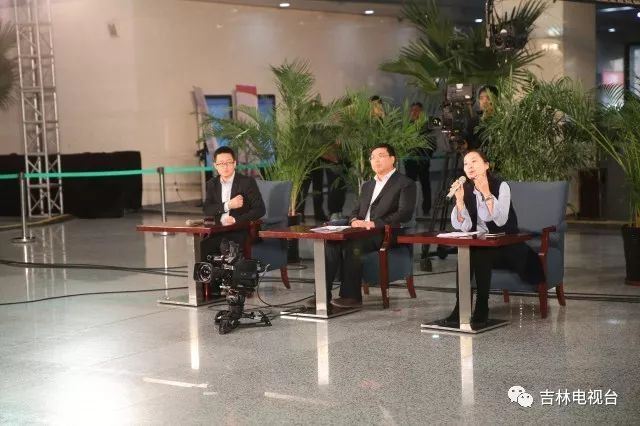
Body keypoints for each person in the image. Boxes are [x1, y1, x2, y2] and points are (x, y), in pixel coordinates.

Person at [447, 150, 545, 326]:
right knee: (466, 253)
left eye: (474, 161)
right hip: (482, 245)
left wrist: (486, 193)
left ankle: (482, 307)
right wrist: (460, 201)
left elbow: (500, 220)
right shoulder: (467, 189)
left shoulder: (501, 186)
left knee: (480, 252)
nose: (469, 167)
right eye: (466, 164)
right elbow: (465, 226)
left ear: (486, 165)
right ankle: (460, 306)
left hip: (507, 245)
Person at [324, 143, 417, 308]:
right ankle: (322, 294)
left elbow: (404, 213)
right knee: (331, 242)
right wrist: (354, 220)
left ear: (392, 159)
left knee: (353, 244)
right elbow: (355, 210)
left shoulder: (405, 183)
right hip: (359, 230)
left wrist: (374, 223)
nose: (376, 161)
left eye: (381, 156)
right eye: (372, 158)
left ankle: (351, 297)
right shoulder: (367, 185)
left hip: (384, 232)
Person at [202, 146, 266, 264]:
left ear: (235, 163)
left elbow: (260, 209)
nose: (225, 167)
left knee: (226, 247)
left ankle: (230, 276)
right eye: (221, 163)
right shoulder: (212, 184)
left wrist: (236, 219)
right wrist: (228, 205)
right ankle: (207, 277)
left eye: (228, 162)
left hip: (240, 231)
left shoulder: (246, 182)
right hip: (218, 231)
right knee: (202, 247)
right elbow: (207, 209)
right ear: (215, 165)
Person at [403, 102, 434, 216]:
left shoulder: (427, 126)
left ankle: (426, 209)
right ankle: (409, 210)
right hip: (410, 160)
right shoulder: (407, 126)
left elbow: (431, 142)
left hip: (423, 159)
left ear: (421, 112)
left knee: (425, 184)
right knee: (410, 185)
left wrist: (427, 155)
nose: (414, 112)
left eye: (417, 110)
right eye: (412, 110)